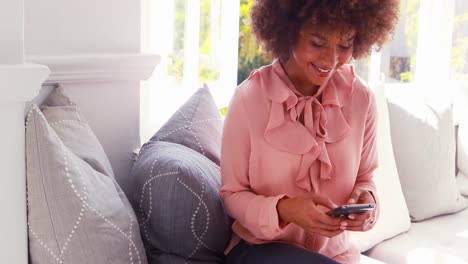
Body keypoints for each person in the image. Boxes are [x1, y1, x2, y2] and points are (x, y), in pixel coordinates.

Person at [220, 1, 400, 263]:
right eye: (317, 43)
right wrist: (284, 210)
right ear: (288, 31)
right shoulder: (249, 99)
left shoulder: (360, 100)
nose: (331, 59)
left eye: (345, 45)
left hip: (334, 255)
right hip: (258, 250)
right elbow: (231, 195)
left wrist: (367, 204)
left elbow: (365, 177)